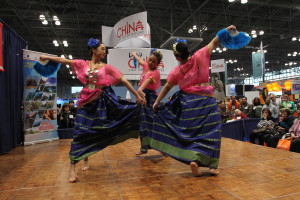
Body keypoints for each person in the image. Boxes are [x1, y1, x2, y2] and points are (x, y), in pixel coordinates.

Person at [40, 38, 145, 183]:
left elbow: (124, 81)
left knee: (98, 129)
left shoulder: (106, 67)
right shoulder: (82, 64)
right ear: (94, 50)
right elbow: (62, 60)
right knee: (80, 133)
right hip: (84, 102)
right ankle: (73, 168)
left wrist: (137, 95)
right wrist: (46, 57)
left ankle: (86, 157)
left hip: (100, 103)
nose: (105, 51)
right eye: (102, 49)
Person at [149, 25, 247, 176]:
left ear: (176, 57)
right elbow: (215, 41)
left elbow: (167, 87)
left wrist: (156, 103)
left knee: (193, 134)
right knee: (213, 132)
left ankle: (194, 160)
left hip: (189, 105)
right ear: (187, 50)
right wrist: (227, 30)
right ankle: (212, 166)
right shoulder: (201, 54)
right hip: (206, 101)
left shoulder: (176, 71)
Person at [132, 49, 162, 156]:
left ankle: (162, 148)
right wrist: (134, 54)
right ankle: (143, 148)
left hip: (150, 99)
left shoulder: (156, 73)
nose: (150, 63)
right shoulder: (146, 67)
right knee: (142, 124)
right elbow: (140, 61)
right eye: (150, 60)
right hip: (142, 99)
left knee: (154, 124)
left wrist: (140, 89)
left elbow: (148, 80)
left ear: (158, 64)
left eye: (154, 62)